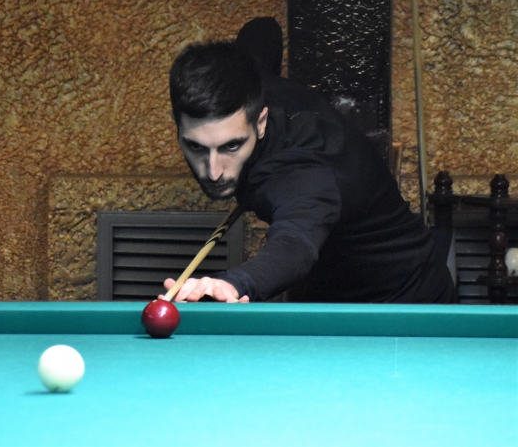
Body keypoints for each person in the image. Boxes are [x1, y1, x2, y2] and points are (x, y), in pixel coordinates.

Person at [163, 17, 455, 304]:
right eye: (196, 147)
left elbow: (294, 244)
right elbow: (264, 30)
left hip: (404, 299)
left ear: (260, 123)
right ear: (177, 123)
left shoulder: (301, 171)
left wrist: (235, 282)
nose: (213, 172)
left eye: (231, 146)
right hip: (328, 289)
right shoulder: (245, 80)